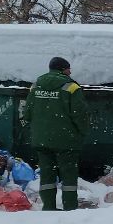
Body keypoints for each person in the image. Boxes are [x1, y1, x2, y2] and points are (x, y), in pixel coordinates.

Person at [25, 56, 90, 212]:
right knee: (69, 177)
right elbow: (80, 115)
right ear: (63, 69)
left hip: (42, 140)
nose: (70, 71)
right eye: (68, 68)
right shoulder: (71, 87)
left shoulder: (35, 86)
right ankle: (70, 208)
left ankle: (48, 207)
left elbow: (27, 113)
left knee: (46, 175)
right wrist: (82, 133)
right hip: (66, 141)